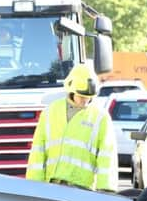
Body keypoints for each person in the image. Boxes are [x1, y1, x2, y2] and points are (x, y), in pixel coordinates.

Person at [26, 63, 118, 192]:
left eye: (88, 97)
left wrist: (106, 189)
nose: (84, 100)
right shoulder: (51, 111)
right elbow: (38, 151)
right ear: (71, 90)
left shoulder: (100, 117)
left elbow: (107, 156)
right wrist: (34, 185)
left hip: (81, 189)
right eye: (81, 96)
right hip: (51, 186)